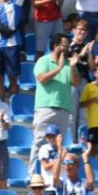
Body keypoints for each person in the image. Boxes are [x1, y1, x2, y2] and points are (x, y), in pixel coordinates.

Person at [31, 33, 78, 170]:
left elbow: (76, 82)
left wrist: (73, 67)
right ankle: (34, 173)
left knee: (58, 144)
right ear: (56, 46)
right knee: (40, 141)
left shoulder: (69, 64)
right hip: (46, 108)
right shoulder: (43, 61)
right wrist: (59, 68)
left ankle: (55, 173)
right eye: (65, 46)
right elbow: (42, 79)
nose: (67, 48)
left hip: (64, 108)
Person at [0, 0, 26, 97]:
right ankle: (2, 105)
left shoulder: (16, 3)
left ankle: (14, 105)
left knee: (12, 78)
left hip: (12, 45)